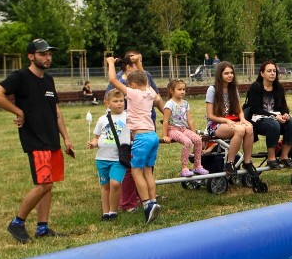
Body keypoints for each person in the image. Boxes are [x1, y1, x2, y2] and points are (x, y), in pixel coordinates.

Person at [0, 38, 74, 242]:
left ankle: (42, 227)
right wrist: (18, 111)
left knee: (49, 184)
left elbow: (56, 111)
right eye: (42, 54)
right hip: (35, 139)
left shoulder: (48, 80)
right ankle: (17, 223)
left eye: (49, 53)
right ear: (31, 56)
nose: (48, 57)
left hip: (52, 140)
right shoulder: (20, 77)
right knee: (43, 184)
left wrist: (66, 138)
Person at [106, 55, 164, 224]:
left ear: (131, 85)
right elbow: (144, 77)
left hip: (141, 138)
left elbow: (112, 79)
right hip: (153, 136)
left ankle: (146, 205)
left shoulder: (133, 93)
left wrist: (110, 63)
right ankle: (153, 202)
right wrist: (138, 63)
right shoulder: (150, 92)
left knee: (136, 171)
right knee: (148, 171)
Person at [205, 61, 258, 177]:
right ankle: (230, 162)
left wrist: (243, 119)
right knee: (239, 130)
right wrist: (226, 120)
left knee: (249, 127)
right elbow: (210, 115)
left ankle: (247, 162)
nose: (230, 75)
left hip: (230, 122)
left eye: (231, 73)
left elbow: (239, 110)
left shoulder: (233, 89)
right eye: (226, 73)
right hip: (215, 125)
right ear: (220, 75)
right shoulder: (212, 90)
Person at [244, 60, 292, 169]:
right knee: (274, 124)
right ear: (262, 73)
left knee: (291, 122)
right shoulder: (256, 87)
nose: (272, 73)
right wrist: (273, 116)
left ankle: (284, 156)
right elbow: (255, 109)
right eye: (269, 71)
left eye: (274, 71)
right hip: (257, 120)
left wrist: (285, 114)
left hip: (275, 118)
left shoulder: (278, 88)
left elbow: (283, 106)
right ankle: (271, 158)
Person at [87, 89, 129, 221]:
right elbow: (97, 137)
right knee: (105, 186)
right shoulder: (102, 119)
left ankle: (113, 211)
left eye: (121, 101)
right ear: (107, 103)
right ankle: (106, 213)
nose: (119, 104)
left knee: (115, 183)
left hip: (119, 158)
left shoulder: (129, 117)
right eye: (115, 101)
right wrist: (93, 143)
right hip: (102, 158)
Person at [161, 79, 209, 177]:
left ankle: (197, 166)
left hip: (183, 129)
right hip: (173, 129)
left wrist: (193, 132)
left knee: (198, 139)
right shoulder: (169, 104)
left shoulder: (185, 103)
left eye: (184, 89)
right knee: (187, 142)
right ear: (171, 90)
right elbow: (165, 121)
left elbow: (189, 120)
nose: (182, 91)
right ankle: (184, 168)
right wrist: (165, 135)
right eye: (179, 89)